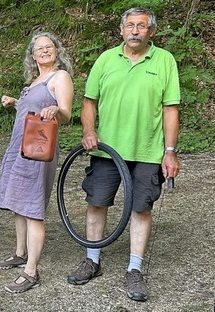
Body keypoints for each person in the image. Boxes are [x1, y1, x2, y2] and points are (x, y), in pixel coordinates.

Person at [66, 7, 180, 302]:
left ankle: (135, 269)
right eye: (129, 25)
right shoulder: (106, 59)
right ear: (120, 30)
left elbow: (170, 109)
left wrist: (169, 152)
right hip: (107, 150)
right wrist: (88, 131)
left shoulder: (165, 61)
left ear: (151, 32)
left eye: (141, 26)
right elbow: (89, 101)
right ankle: (92, 260)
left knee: (141, 208)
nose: (134, 30)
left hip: (147, 151)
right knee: (96, 202)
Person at [0, 32, 73, 293]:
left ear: (56, 51)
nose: (45, 51)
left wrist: (56, 111)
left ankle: (31, 271)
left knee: (32, 209)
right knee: (18, 203)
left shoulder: (59, 77)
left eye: (49, 47)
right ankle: (20, 253)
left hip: (38, 152)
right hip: (20, 147)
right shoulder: (35, 79)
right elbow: (32, 112)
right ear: (33, 55)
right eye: (40, 48)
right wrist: (16, 102)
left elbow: (66, 114)